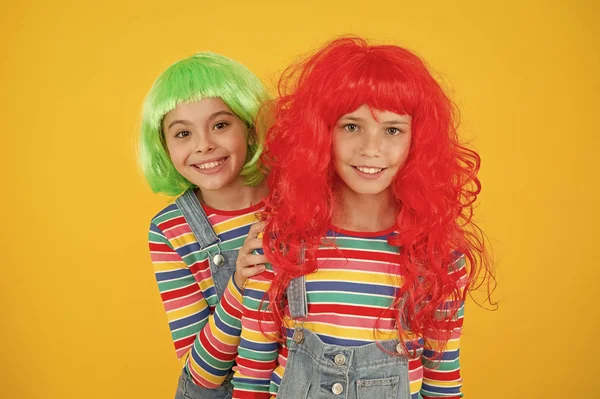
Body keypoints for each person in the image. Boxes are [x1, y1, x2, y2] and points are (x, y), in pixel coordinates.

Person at [232, 37, 494, 399]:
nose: (371, 148)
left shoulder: (439, 259)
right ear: (322, 133)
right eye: (351, 126)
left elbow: (443, 382)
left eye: (392, 130)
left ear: (417, 142)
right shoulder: (281, 244)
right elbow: (251, 378)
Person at [139, 52, 270, 399]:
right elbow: (203, 375)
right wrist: (239, 285)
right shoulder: (170, 230)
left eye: (221, 125)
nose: (204, 145)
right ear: (163, 147)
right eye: (183, 133)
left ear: (250, 127)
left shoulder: (300, 200)